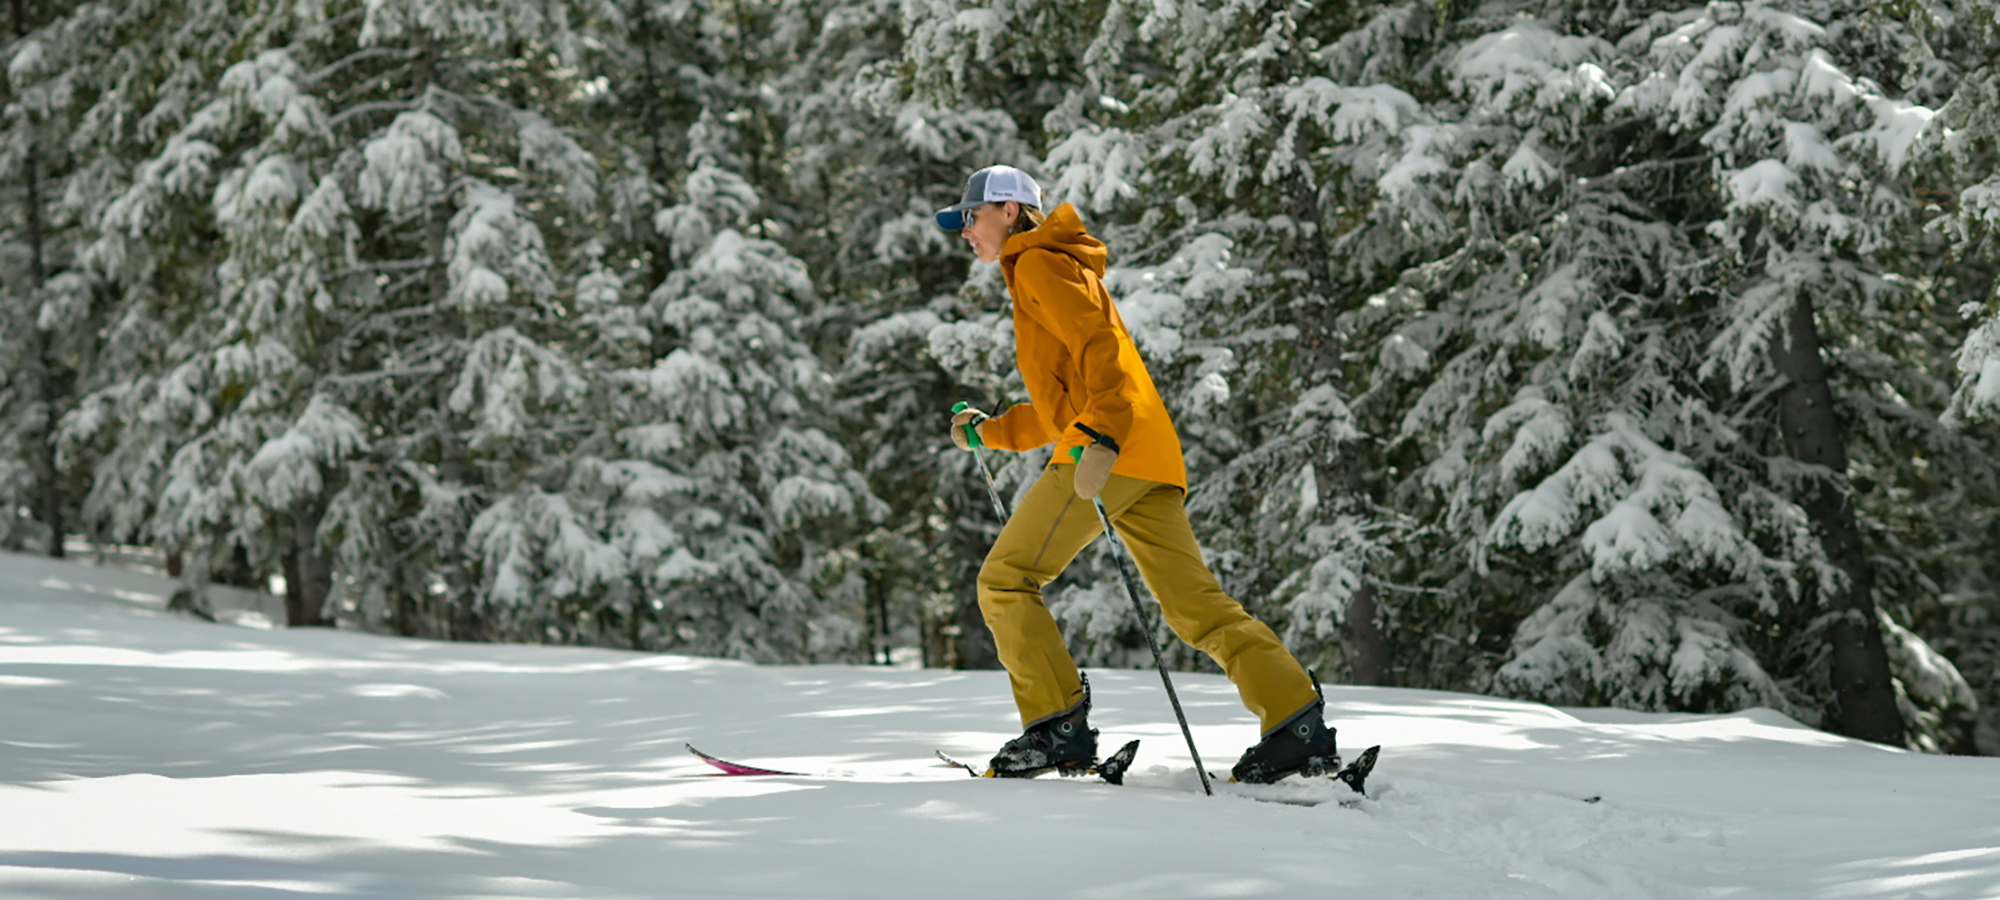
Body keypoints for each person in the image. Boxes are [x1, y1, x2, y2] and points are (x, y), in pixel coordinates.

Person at [936, 164, 1338, 784]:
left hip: (1109, 450)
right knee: (1195, 606)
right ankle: (1295, 722)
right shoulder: (1054, 266)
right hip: (1147, 454)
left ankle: (1056, 728)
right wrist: (991, 430)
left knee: (1007, 579)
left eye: (972, 215)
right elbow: (1060, 407)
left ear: (1010, 213)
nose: (965, 230)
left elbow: (1101, 352)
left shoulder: (1039, 263)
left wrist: (1102, 435)